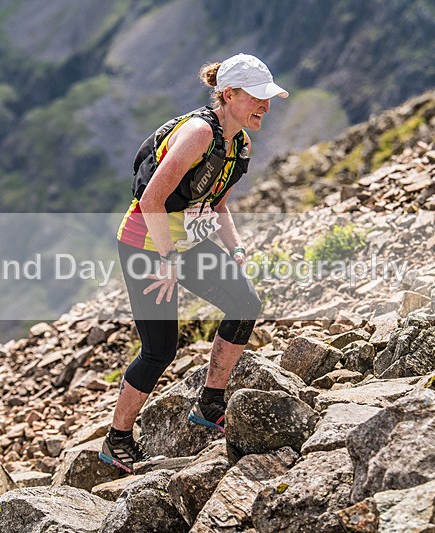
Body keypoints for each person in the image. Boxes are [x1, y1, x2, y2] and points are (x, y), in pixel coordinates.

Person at [100, 53, 289, 474]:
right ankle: (117, 439)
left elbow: (216, 205)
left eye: (268, 98)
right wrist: (168, 259)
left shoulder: (238, 143)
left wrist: (236, 249)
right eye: (257, 97)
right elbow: (151, 200)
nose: (265, 106)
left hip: (185, 241)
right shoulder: (199, 134)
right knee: (159, 349)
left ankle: (210, 403)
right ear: (229, 94)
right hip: (146, 244)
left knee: (245, 304)